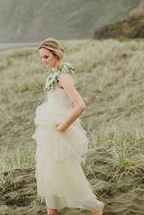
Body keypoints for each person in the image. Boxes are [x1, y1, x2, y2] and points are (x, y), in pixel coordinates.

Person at [32, 38, 104, 215]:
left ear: (56, 54)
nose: (43, 61)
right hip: (49, 127)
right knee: (48, 170)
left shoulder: (63, 76)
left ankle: (95, 206)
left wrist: (62, 127)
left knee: (65, 172)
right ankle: (52, 212)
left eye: (46, 56)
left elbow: (80, 105)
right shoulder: (56, 72)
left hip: (59, 128)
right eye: (41, 57)